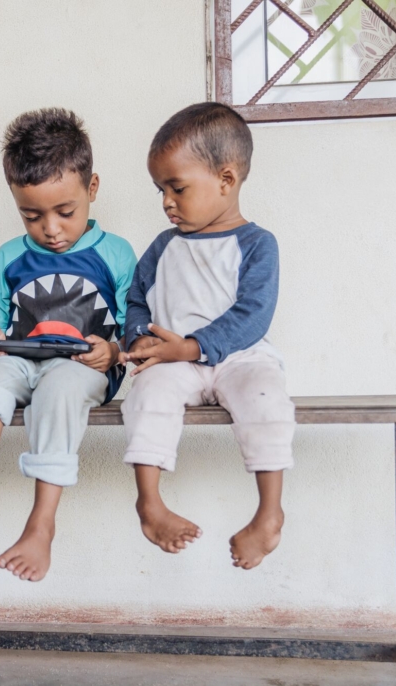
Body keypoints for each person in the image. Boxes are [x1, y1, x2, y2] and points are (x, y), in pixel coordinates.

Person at [0, 108, 137, 581]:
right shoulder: (9, 256)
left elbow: (135, 326)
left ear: (92, 188)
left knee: (60, 388)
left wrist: (114, 352)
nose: (50, 229)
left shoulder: (115, 253)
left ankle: (41, 524)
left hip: (83, 366)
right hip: (21, 359)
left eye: (64, 212)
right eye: (31, 216)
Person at [120, 102, 295, 570]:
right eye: (160, 190)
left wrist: (195, 345)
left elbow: (253, 315)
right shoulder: (163, 247)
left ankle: (269, 514)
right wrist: (139, 339)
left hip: (241, 357)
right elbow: (136, 300)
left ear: (226, 179)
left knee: (267, 400)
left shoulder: (257, 245)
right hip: (176, 362)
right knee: (147, 394)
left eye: (177, 188)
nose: (166, 202)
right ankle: (150, 503)